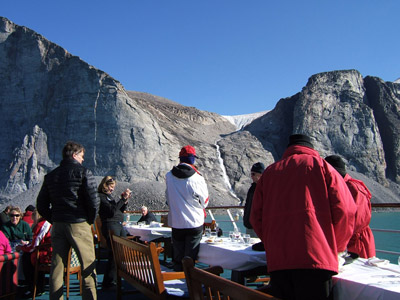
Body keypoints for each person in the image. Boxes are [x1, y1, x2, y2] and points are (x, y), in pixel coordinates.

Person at [251, 134, 356, 300]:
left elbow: (255, 217)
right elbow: (346, 211)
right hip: (316, 259)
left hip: (279, 262)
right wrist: (336, 246)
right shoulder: (324, 167)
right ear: (311, 148)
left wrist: (272, 243)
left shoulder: (269, 173)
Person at [37, 141, 99, 300]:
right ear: (74, 155)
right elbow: (94, 201)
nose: (83, 160)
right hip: (79, 224)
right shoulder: (84, 173)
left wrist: (54, 219)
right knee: (88, 267)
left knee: (57, 268)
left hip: (58, 225)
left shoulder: (50, 176)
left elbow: (41, 204)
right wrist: (89, 220)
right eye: (82, 156)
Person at [166, 145, 209, 271]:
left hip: (176, 222)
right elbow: (204, 201)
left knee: (178, 257)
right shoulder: (197, 177)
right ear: (193, 159)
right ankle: (189, 284)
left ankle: (178, 279)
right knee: (190, 259)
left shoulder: (169, 176)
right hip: (193, 222)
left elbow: (168, 197)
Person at [325, 155, 376, 258]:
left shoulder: (353, 188)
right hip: (346, 240)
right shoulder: (343, 185)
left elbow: (359, 221)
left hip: (356, 243)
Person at [98, 176, 131, 290]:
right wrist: (122, 200)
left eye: (113, 187)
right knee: (114, 252)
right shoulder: (101, 197)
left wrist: (124, 200)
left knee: (120, 253)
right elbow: (111, 211)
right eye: (111, 186)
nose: (112, 189)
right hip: (111, 225)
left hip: (118, 224)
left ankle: (115, 278)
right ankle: (109, 281)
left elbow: (118, 210)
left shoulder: (109, 197)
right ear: (105, 185)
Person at [17, 209, 52, 297]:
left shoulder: (42, 225)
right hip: (49, 251)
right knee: (29, 255)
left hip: (47, 254)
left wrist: (22, 247)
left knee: (27, 257)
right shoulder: (47, 223)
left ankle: (32, 287)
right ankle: (39, 287)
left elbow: (34, 245)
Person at [243, 162, 265, 238]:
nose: (251, 176)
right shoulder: (252, 187)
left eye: (253, 174)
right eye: (251, 174)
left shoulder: (265, 187)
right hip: (249, 224)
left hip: (258, 226)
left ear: (260, 174)